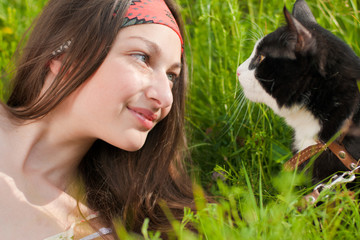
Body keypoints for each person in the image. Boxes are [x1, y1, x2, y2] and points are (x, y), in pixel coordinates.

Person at [0, 0, 196, 239]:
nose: (165, 97)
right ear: (65, 56)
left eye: (171, 76)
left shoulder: (91, 233)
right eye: (142, 57)